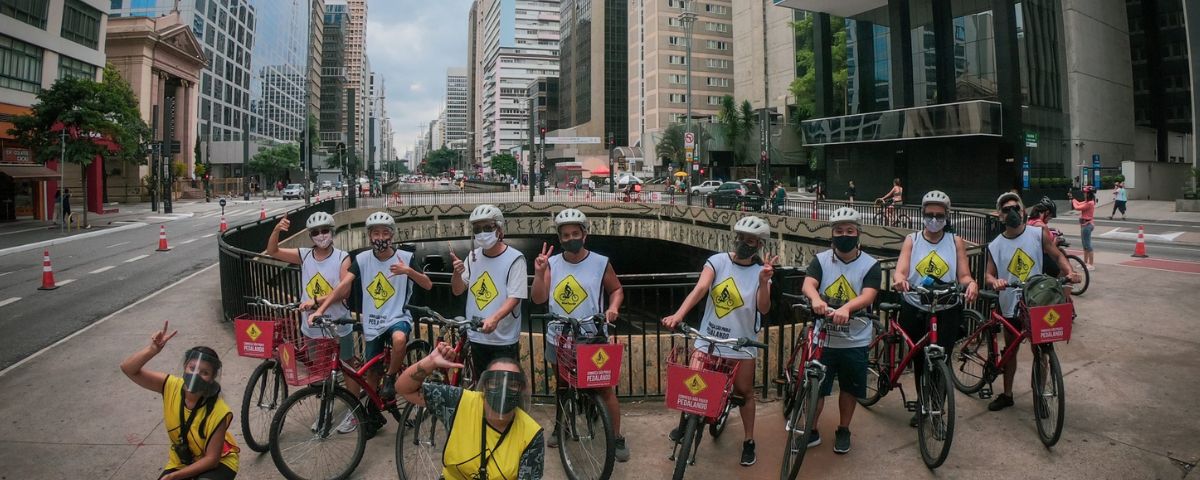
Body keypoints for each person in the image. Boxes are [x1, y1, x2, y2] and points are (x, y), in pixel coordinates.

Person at [662, 216, 778, 467]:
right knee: (692, 383)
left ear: (759, 245)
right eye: (740, 238)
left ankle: (749, 440)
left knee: (744, 393)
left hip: (741, 343)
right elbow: (701, 288)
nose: (743, 244)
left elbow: (764, 308)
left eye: (750, 241)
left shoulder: (762, 272)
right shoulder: (717, 261)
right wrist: (678, 315)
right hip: (709, 339)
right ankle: (686, 423)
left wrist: (764, 282)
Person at [530, 209, 629, 461]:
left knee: (605, 390)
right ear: (559, 238)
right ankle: (561, 426)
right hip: (559, 337)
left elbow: (616, 289)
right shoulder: (551, 263)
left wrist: (613, 307)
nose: (570, 238)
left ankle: (616, 437)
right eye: (565, 235)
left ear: (585, 234)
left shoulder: (600, 262)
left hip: (592, 336)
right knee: (562, 387)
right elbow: (538, 298)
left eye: (575, 233)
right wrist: (540, 273)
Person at [313, 212, 433, 416]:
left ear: (392, 236)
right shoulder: (361, 259)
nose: (380, 238)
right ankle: (374, 412)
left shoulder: (406, 258)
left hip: (397, 317)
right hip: (372, 323)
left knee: (399, 339)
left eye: (384, 233)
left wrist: (409, 272)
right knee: (371, 374)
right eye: (375, 233)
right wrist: (320, 309)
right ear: (369, 236)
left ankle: (391, 377)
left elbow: (428, 284)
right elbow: (343, 286)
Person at [265, 212, 361, 432]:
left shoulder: (342, 257)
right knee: (322, 370)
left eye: (325, 230)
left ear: (332, 232)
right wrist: (277, 230)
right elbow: (273, 251)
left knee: (347, 367)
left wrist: (315, 301)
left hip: (336, 323)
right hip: (311, 326)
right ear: (310, 235)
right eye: (316, 232)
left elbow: (345, 291)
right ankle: (325, 410)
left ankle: (354, 412)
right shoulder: (305, 255)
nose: (321, 235)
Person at [985, 192, 1080, 412]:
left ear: (1023, 210)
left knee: (1043, 351)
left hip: (1037, 302)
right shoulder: (995, 245)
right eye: (1006, 209)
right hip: (1009, 304)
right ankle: (1007, 394)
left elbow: (1057, 256)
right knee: (1010, 351)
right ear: (1000, 215)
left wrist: (1070, 272)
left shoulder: (1037, 234)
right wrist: (995, 281)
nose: (1012, 213)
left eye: (1015, 208)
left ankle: (1040, 396)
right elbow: (988, 275)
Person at [891, 191, 979, 427]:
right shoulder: (913, 239)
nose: (934, 219)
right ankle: (922, 403)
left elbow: (963, 275)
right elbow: (901, 269)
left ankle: (937, 408)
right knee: (920, 360)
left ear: (946, 216)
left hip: (946, 307)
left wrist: (970, 284)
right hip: (915, 305)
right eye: (929, 214)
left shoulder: (955, 241)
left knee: (942, 359)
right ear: (922, 214)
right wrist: (900, 280)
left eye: (939, 215)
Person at [396, 344, 544, 479]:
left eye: (512, 384)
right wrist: (430, 362)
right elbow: (403, 388)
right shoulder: (459, 402)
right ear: (484, 386)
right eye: (494, 383)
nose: (502, 390)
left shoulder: (531, 435)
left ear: (521, 390)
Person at [800, 207, 880, 454]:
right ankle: (811, 428)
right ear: (832, 234)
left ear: (858, 233)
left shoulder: (870, 264)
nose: (843, 235)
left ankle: (843, 428)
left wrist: (846, 308)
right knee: (817, 386)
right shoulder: (822, 260)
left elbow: (868, 295)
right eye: (838, 231)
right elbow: (808, 283)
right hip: (824, 338)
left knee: (850, 387)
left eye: (849, 230)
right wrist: (816, 299)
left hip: (855, 337)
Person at [121, 322, 240, 479]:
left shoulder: (219, 411)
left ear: (211, 378)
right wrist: (153, 349)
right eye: (192, 368)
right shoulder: (170, 386)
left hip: (220, 461)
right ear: (184, 367)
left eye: (204, 372)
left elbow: (212, 459)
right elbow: (128, 369)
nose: (196, 375)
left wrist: (175, 477)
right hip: (182, 460)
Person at [451, 205, 529, 377]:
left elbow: (515, 297)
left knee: (504, 390)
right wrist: (456, 274)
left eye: (488, 228)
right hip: (477, 336)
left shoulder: (515, 258)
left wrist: (494, 318)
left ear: (499, 230)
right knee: (481, 387)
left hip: (503, 339)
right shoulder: (472, 257)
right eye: (477, 229)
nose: (482, 233)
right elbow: (458, 290)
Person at [1069, 187, 1096, 270]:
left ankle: (1091, 264)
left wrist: (1073, 200)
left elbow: (1077, 207)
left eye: (1085, 193)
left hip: (1087, 225)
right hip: (1084, 225)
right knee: (1085, 246)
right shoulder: (1087, 201)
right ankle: (1085, 263)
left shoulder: (1090, 203)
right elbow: (1079, 203)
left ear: (1088, 194)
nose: (1083, 194)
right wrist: (1073, 198)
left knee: (1088, 245)